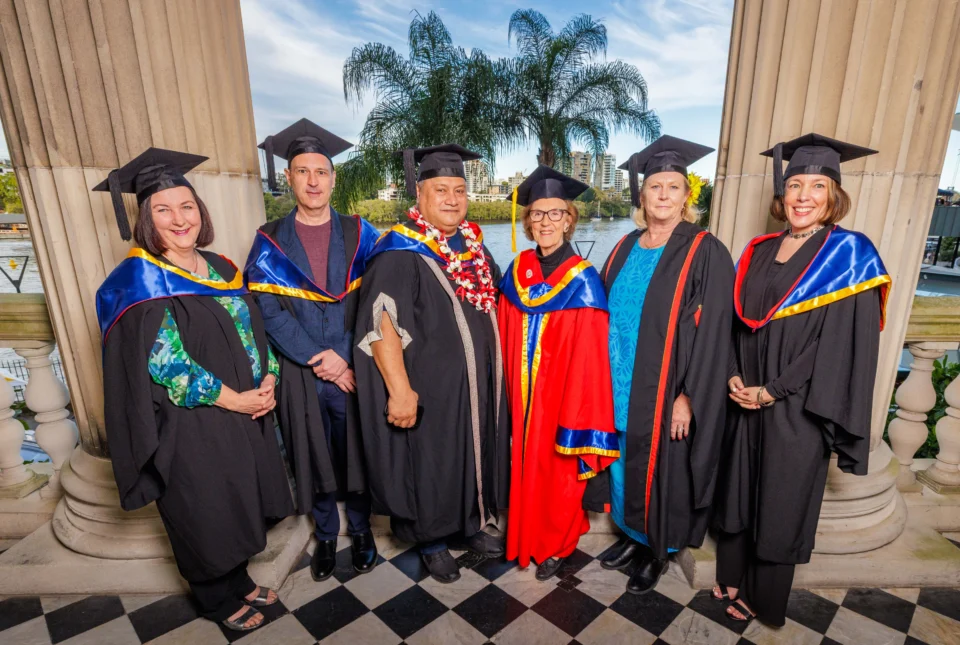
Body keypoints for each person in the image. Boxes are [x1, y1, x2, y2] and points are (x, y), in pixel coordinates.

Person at [95, 149, 294, 632]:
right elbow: (167, 363)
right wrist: (234, 398)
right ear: (145, 219)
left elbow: (254, 330)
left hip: (246, 409)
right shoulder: (138, 281)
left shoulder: (221, 267)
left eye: (186, 206)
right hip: (189, 421)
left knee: (237, 499)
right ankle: (215, 599)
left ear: (200, 212)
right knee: (203, 508)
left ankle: (240, 580)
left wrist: (269, 378)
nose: (179, 219)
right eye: (162, 210)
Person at [712, 133, 890, 627]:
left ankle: (764, 598)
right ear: (781, 194)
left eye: (816, 185)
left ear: (833, 195)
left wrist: (774, 389)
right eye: (794, 184)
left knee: (781, 497)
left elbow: (836, 345)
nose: (803, 195)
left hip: (798, 405)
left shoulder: (849, 254)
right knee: (739, 487)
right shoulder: (760, 249)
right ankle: (731, 572)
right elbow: (736, 320)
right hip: (743, 395)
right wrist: (732, 375)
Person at [583, 136, 735, 595]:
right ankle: (632, 537)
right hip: (620, 384)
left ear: (687, 195)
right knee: (625, 464)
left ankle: (658, 550)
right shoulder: (625, 246)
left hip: (665, 389)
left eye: (673, 186)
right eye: (655, 187)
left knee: (663, 470)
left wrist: (686, 396)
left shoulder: (705, 250)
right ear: (642, 195)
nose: (664, 195)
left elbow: (713, 336)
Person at [353, 144, 510, 583]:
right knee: (431, 461)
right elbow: (382, 322)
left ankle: (472, 525)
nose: (452, 199)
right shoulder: (399, 249)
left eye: (459, 190)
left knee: (471, 454)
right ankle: (432, 540)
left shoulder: (473, 244)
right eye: (441, 189)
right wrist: (400, 390)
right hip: (429, 389)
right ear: (418, 194)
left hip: (477, 388)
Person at [246, 119, 380, 581]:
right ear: (289, 179)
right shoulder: (269, 239)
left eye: (320, 171)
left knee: (356, 450)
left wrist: (344, 354)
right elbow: (266, 307)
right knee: (312, 451)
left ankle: (361, 530)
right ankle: (326, 534)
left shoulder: (362, 233)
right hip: (302, 372)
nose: (312, 180)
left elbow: (378, 299)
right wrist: (320, 359)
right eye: (302, 172)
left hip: (353, 366)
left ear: (333, 178)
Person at [498, 166, 618, 581]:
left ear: (569, 219)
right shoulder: (517, 270)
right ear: (528, 221)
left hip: (562, 401)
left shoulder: (583, 280)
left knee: (559, 474)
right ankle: (524, 537)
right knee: (525, 467)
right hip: (522, 400)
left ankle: (557, 544)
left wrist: (574, 408)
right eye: (537, 214)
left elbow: (590, 358)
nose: (546, 222)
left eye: (555, 214)